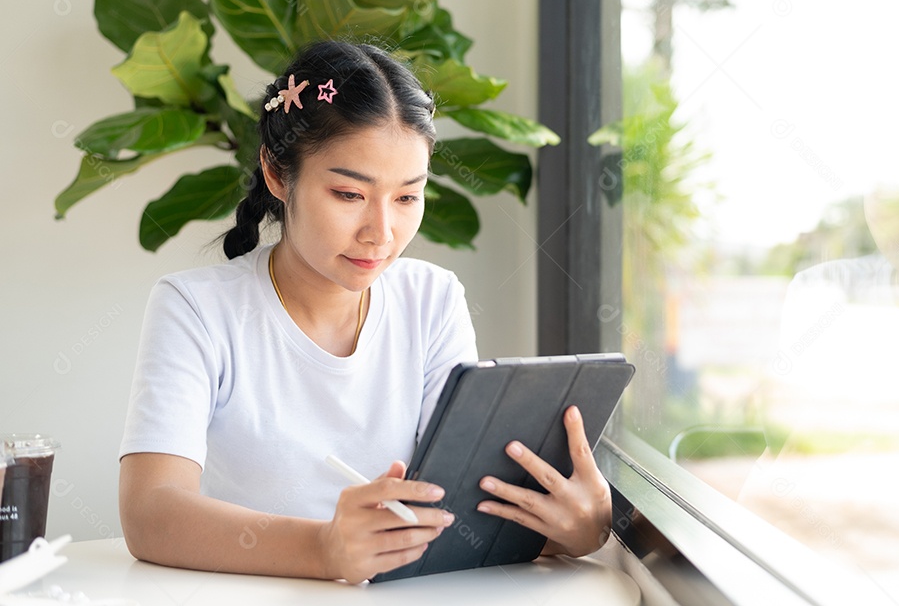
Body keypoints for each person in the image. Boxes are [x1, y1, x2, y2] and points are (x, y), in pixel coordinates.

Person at [117, 41, 612, 584]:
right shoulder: (197, 308)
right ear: (278, 175)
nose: (381, 234)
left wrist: (575, 528)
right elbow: (151, 513)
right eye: (349, 194)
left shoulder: (432, 299)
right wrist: (323, 549)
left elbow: (462, 513)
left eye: (407, 198)